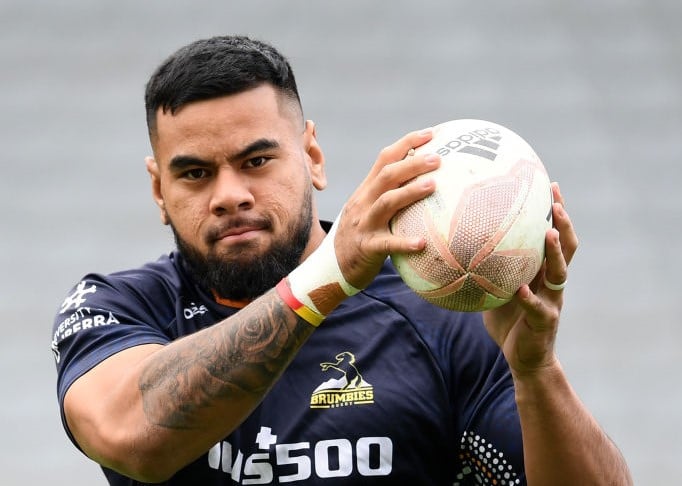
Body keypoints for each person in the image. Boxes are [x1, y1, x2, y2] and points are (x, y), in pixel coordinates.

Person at [51, 35, 632, 485]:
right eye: (195, 173)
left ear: (313, 157)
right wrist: (327, 279)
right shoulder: (120, 307)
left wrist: (537, 374)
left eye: (256, 161)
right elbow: (134, 435)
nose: (229, 194)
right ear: (159, 191)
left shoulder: (441, 308)